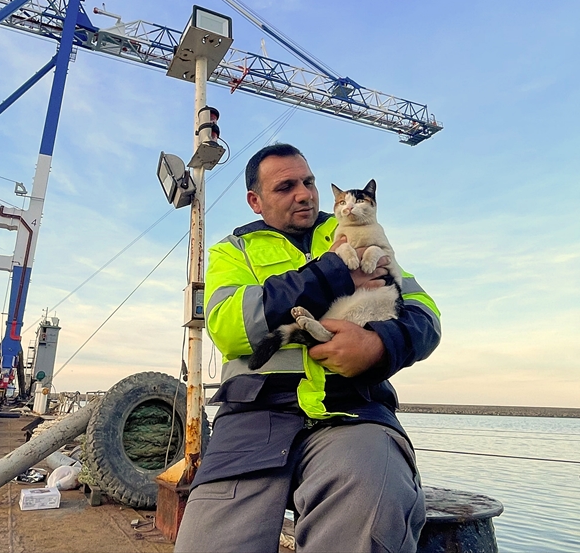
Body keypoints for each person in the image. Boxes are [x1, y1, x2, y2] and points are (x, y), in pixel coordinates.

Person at [174, 144, 442, 553]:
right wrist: (331, 271)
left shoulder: (359, 234)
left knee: (372, 512)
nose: (304, 193)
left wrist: (379, 344)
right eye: (285, 187)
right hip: (254, 416)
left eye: (309, 182)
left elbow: (425, 314)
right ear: (255, 201)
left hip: (352, 410)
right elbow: (229, 326)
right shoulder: (232, 250)